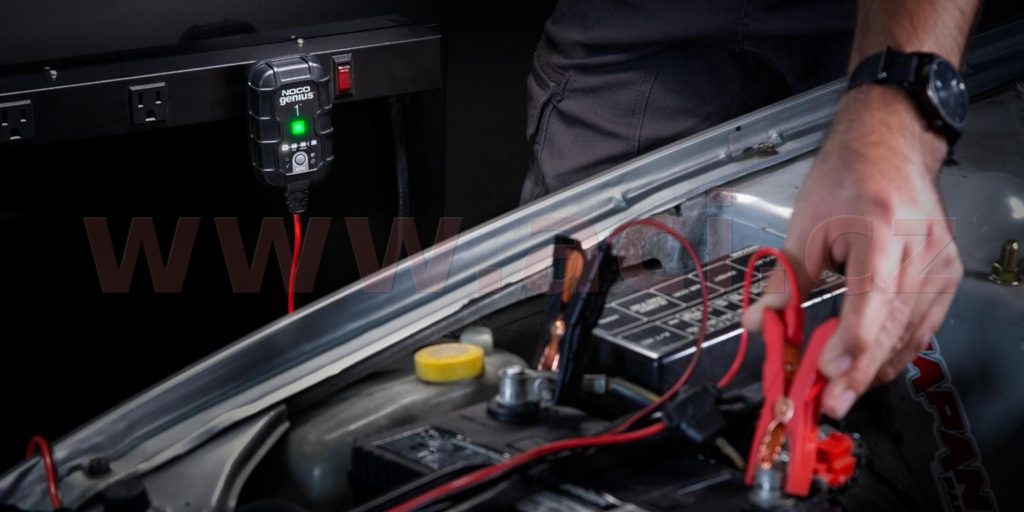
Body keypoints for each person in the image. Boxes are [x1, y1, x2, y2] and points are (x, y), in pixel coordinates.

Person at [523, 0, 975, 419]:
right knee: (561, 334)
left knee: (888, 277)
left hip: (881, 20)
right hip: (652, 20)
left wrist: (897, 107)